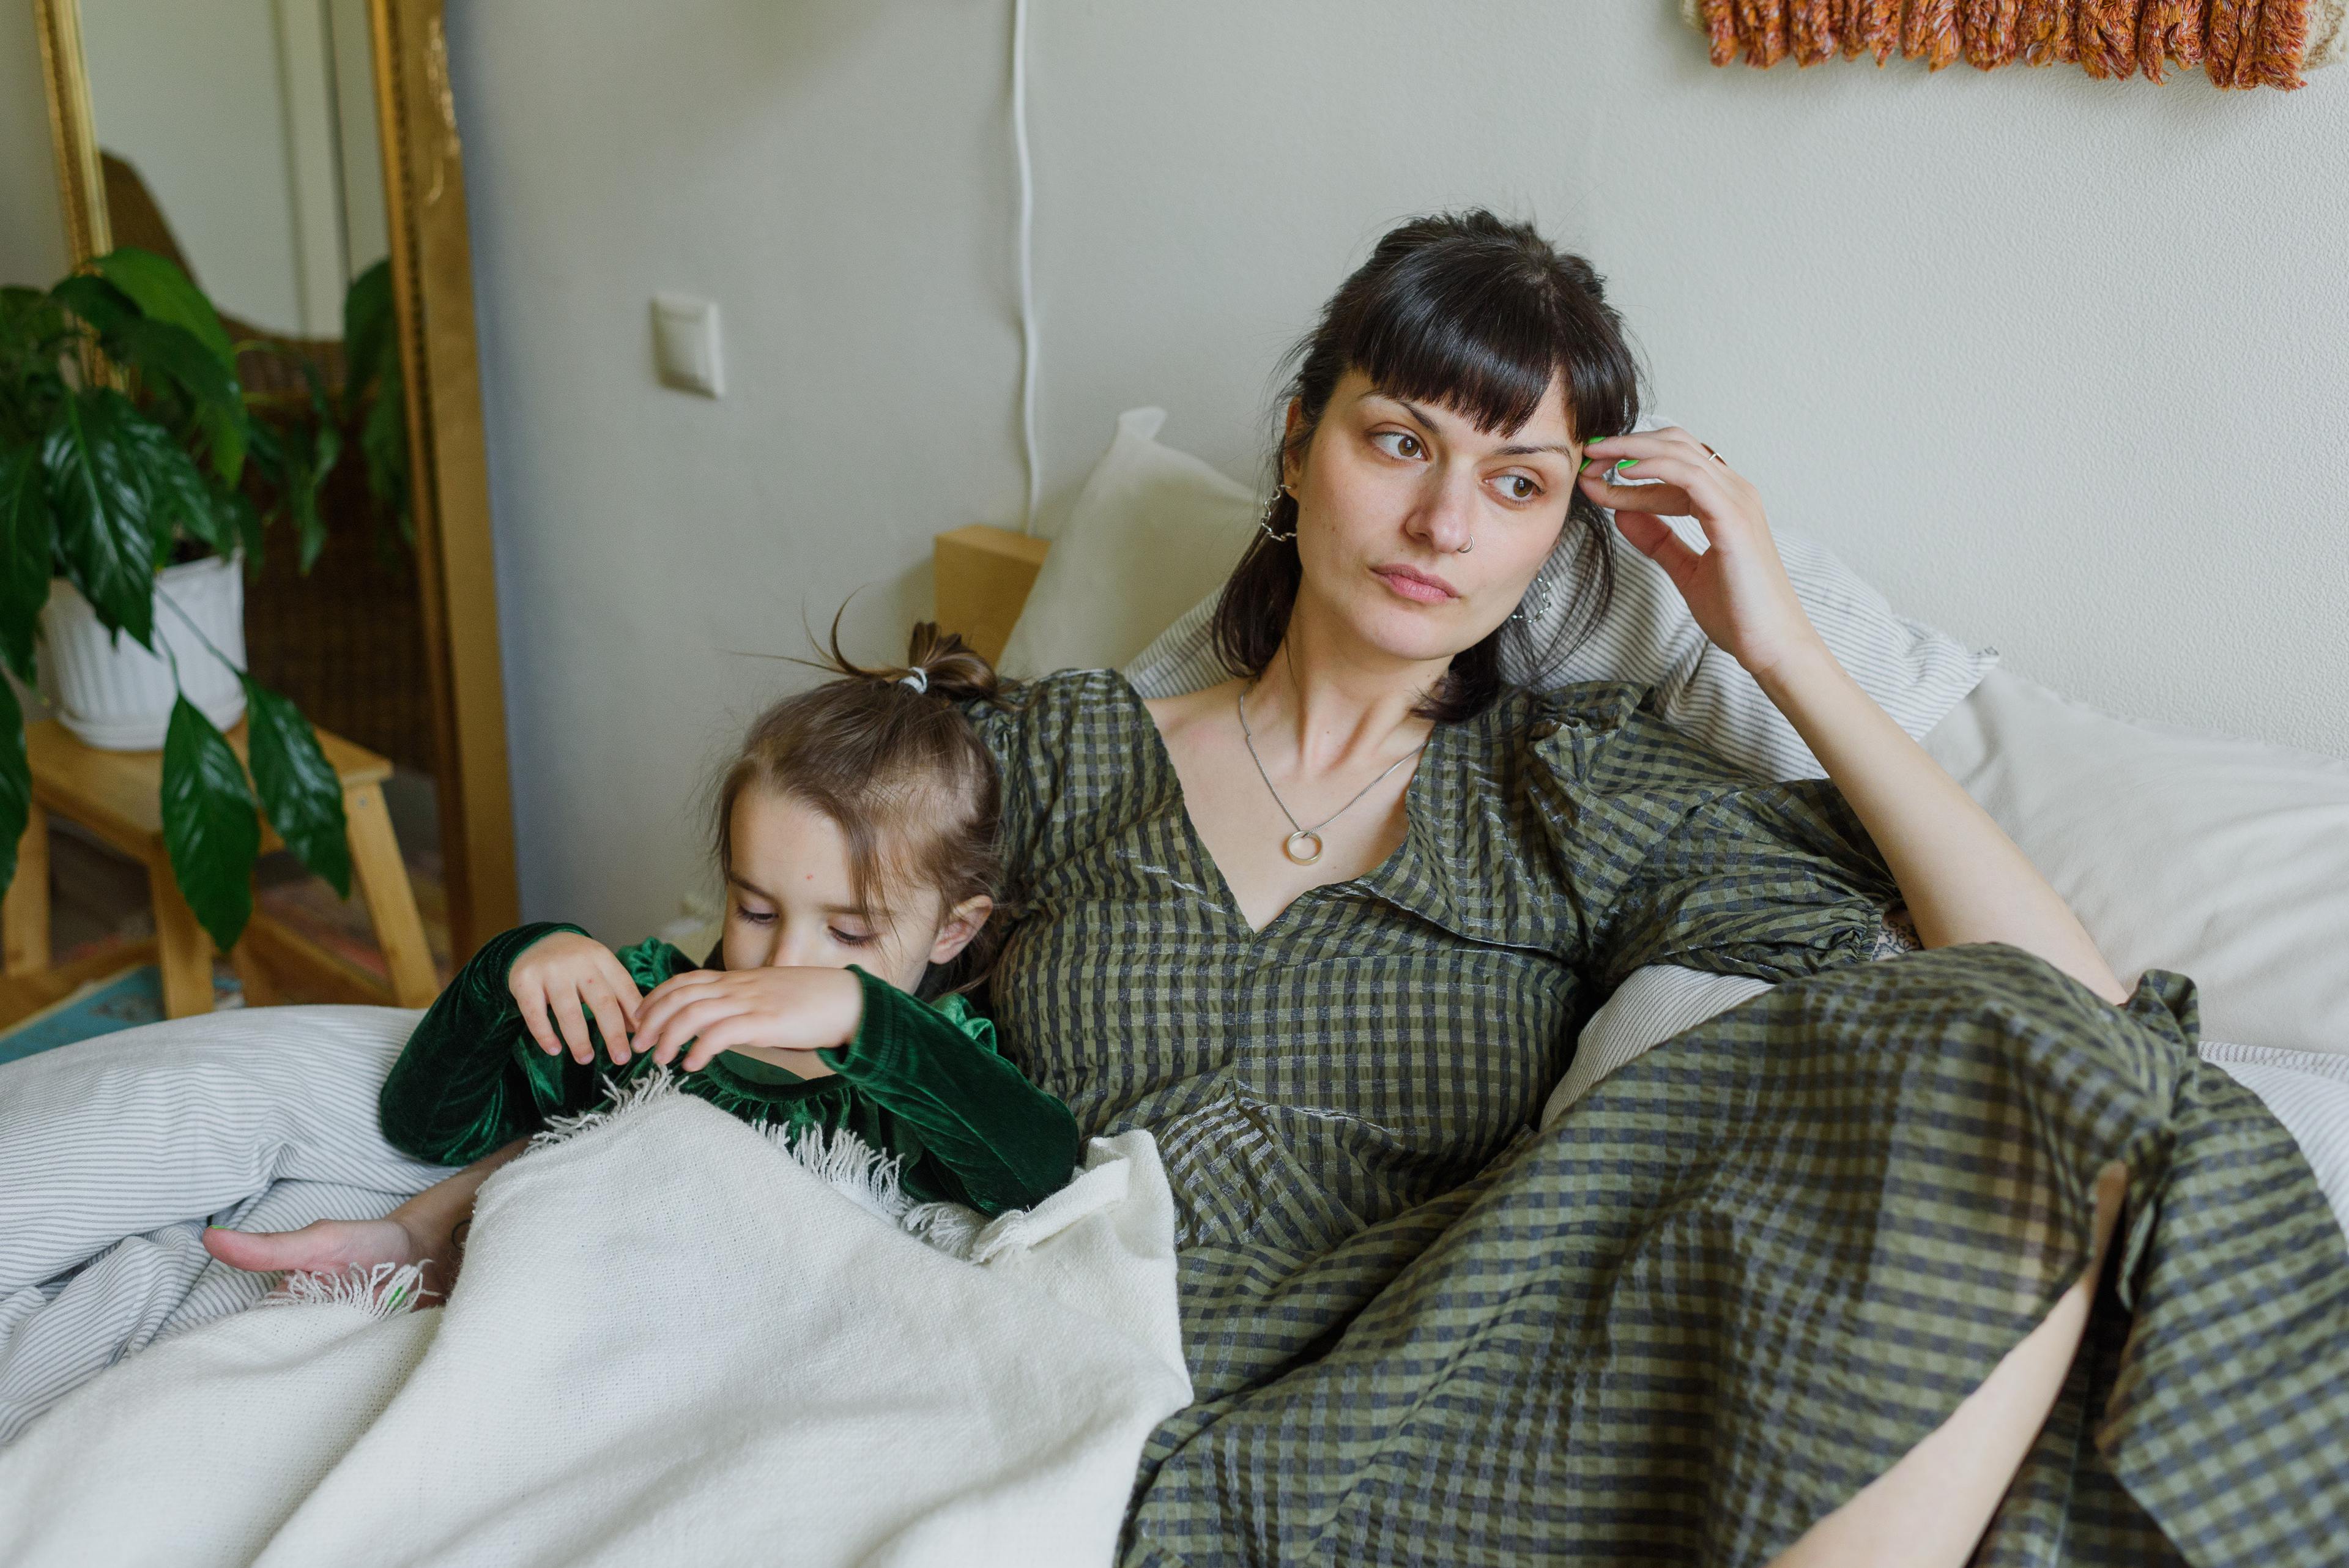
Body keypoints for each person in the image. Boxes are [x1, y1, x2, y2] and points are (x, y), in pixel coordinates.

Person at [222, 210, 2349, 1566]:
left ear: (1562, 535)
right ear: (1302, 445)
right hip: (1073, 1336)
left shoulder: (1582, 792)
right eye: (1400, 437)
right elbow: (785, 974)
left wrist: (1775, 644)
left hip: (1442, 1369)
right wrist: (472, 1167)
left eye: (1516, 480)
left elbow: (2065, 1014)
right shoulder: (1053, 753)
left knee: (2019, 1055)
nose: (1443, 518)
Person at [206, 626, 1080, 1300]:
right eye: (756, 911)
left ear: (952, 931)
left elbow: (1039, 1178)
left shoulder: (933, 1069)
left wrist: (866, 1019)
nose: (784, 962)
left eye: (849, 935)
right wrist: (510, 968)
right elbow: (425, 1127)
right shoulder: (656, 1008)